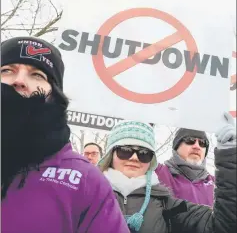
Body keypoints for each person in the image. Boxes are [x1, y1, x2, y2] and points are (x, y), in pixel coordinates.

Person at [1, 36, 129, 233]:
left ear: (54, 94)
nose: (19, 81)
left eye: (37, 75)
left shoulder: (85, 180)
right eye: (7, 70)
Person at [98, 118, 236, 233]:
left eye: (144, 154)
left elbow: (221, 225)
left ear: (150, 161)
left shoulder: (166, 203)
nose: (134, 158)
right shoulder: (87, 193)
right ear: (111, 154)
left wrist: (228, 156)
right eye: (125, 150)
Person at [155, 128, 215, 206]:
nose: (197, 146)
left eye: (202, 143)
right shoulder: (159, 173)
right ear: (177, 146)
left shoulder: (217, 183)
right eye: (190, 140)